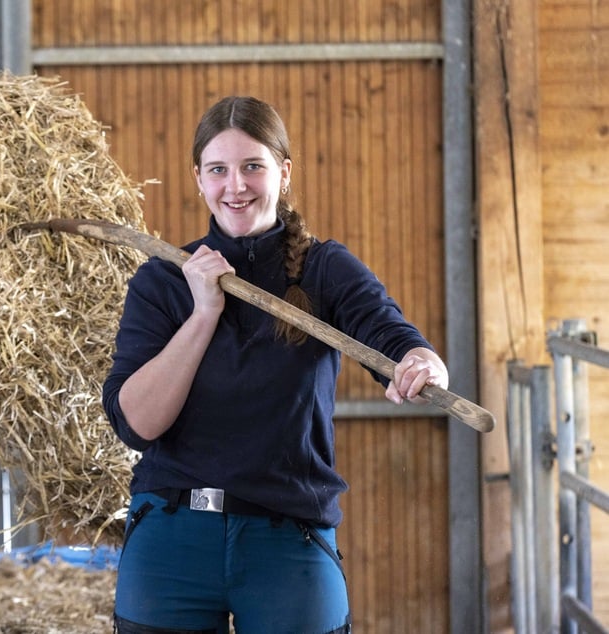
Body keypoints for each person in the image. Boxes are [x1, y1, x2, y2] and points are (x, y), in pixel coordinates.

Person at [101, 95, 449, 634]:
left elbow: (391, 338)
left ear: (283, 173)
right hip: (172, 534)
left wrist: (422, 363)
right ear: (198, 179)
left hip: (289, 535)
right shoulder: (164, 281)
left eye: (252, 167)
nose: (234, 186)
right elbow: (138, 424)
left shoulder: (326, 269)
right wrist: (204, 313)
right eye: (218, 170)